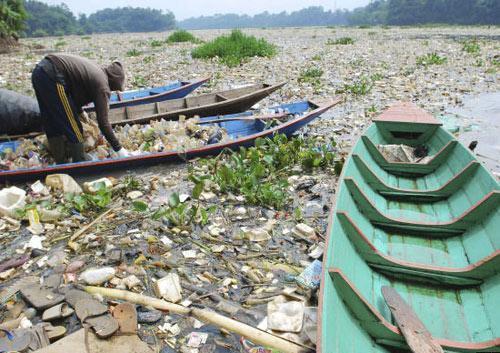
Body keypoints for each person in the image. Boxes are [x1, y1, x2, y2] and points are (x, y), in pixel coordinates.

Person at [31, 54, 129, 164]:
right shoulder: (103, 85)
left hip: (39, 72)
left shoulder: (96, 71)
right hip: (53, 75)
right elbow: (103, 122)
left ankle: (60, 161)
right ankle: (79, 160)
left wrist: (81, 111)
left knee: (50, 119)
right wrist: (119, 148)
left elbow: (73, 92)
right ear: (113, 82)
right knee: (73, 125)